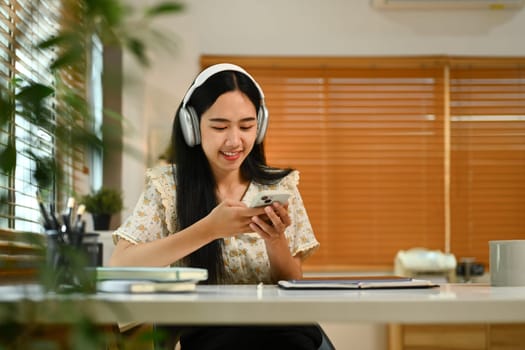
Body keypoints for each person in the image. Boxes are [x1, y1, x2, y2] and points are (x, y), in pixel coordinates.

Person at [110, 63, 322, 349]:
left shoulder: (280, 188)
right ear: (191, 126)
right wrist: (208, 230)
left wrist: (275, 240)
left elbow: (293, 285)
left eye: (247, 126)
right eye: (220, 126)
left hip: (283, 332)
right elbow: (122, 265)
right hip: (211, 334)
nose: (235, 141)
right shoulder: (168, 188)